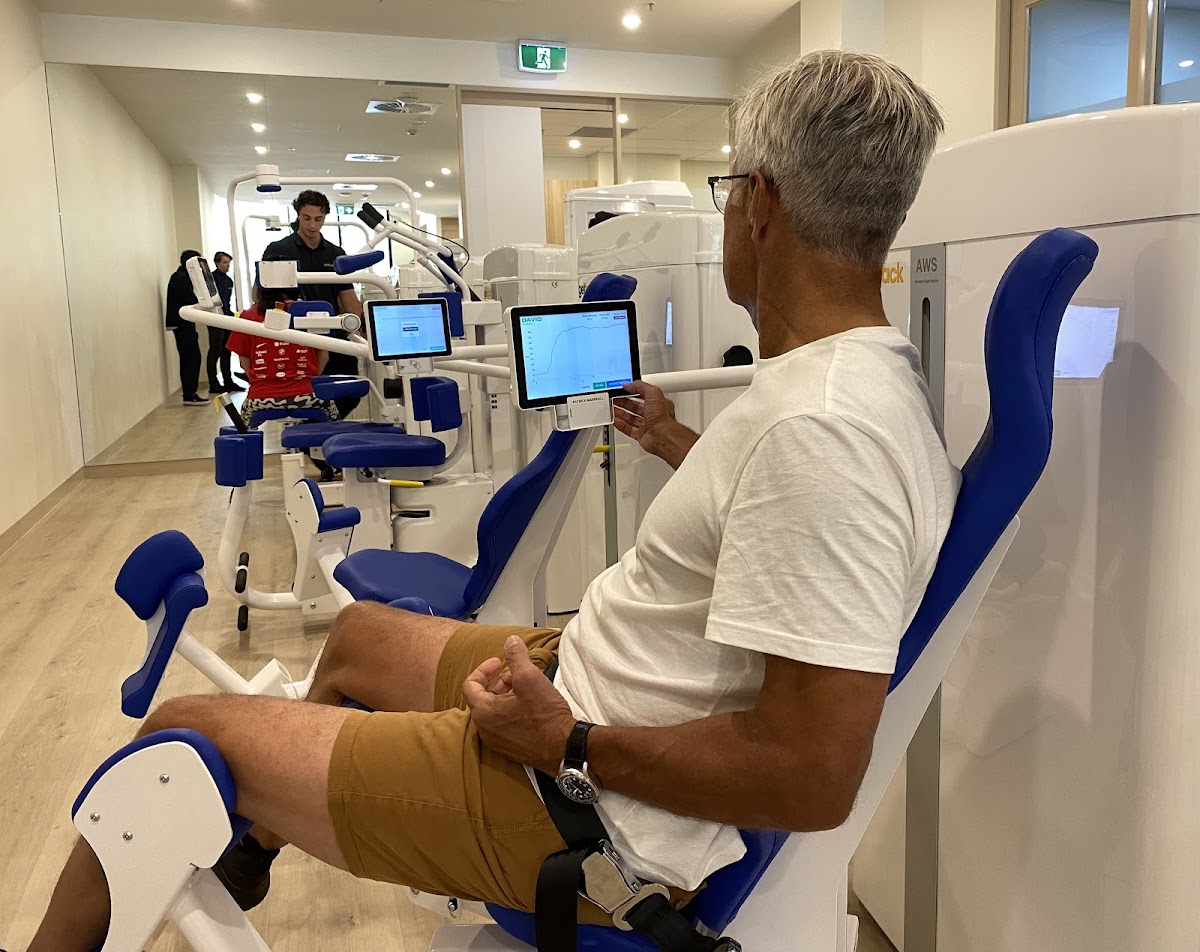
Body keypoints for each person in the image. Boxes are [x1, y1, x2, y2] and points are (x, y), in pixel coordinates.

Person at [25, 51, 962, 951]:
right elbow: (775, 521)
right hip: (585, 685)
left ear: (758, 205)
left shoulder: (822, 429)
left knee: (181, 733)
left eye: (725, 195)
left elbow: (809, 776)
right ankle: (258, 835)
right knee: (356, 637)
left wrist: (568, 738)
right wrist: (676, 443)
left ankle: (255, 796)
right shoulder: (832, 390)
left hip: (584, 813)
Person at [261, 190, 363, 419]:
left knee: (350, 394)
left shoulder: (336, 254)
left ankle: (316, 436)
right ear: (298, 215)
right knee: (307, 396)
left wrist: (363, 329)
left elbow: (349, 299)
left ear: (325, 217)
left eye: (318, 219)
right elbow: (261, 295)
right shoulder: (279, 249)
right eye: (306, 218)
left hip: (333, 335)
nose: (312, 225)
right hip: (297, 337)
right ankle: (312, 440)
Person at [226, 281, 338, 429]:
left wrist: (261, 382)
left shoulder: (248, 316)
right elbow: (324, 357)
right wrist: (306, 379)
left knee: (243, 429)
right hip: (308, 394)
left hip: (261, 396)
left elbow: (243, 363)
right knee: (335, 420)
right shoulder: (310, 313)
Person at [163, 250, 206, 406]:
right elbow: (188, 300)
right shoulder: (181, 278)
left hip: (184, 323)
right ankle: (189, 394)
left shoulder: (182, 277)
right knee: (191, 358)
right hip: (182, 324)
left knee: (192, 358)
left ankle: (190, 392)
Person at [206, 251, 243, 394]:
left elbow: (226, 302)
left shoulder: (228, 281)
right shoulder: (212, 280)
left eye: (228, 263)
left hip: (227, 318)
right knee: (215, 351)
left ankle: (228, 381)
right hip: (215, 319)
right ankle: (213, 383)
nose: (227, 266)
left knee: (226, 350)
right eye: (224, 262)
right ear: (217, 263)